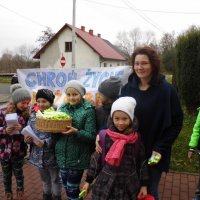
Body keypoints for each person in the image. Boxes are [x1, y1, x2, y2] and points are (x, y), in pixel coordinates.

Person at [120, 46, 183, 200]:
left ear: (153, 65)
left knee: (148, 192)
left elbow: (177, 122)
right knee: (130, 190)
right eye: (136, 63)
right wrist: (101, 134)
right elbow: (116, 116)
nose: (139, 67)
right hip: (130, 150)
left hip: (154, 152)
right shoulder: (127, 89)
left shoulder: (167, 90)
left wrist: (161, 147)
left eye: (144, 63)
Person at [82, 97, 148, 200]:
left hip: (129, 184)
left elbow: (142, 162)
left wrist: (144, 185)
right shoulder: (104, 137)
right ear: (111, 118)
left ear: (131, 119)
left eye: (124, 119)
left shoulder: (136, 139)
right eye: (116, 118)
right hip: (106, 183)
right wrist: (88, 181)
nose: (120, 123)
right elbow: (96, 160)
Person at [55, 80, 96, 200]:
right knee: (68, 189)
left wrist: (76, 132)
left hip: (78, 157)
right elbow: (57, 131)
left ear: (81, 94)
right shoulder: (62, 108)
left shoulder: (88, 110)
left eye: (75, 94)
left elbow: (91, 136)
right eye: (68, 94)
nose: (71, 98)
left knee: (72, 190)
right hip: (62, 156)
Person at [24, 89, 62, 200]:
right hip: (37, 156)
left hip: (52, 156)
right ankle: (46, 196)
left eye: (44, 101)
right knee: (45, 180)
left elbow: (59, 135)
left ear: (50, 102)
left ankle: (57, 197)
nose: (41, 104)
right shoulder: (33, 116)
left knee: (55, 179)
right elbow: (28, 131)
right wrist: (27, 140)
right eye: (39, 101)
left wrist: (46, 143)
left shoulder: (56, 115)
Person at [0, 84, 31, 200]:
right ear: (15, 101)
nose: (25, 105)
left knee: (19, 174)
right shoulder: (3, 113)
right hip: (4, 151)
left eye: (27, 103)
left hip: (18, 151)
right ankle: (8, 194)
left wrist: (22, 128)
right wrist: (4, 130)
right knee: (6, 175)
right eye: (23, 103)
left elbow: (29, 133)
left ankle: (20, 193)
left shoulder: (26, 115)